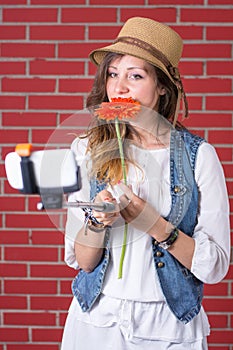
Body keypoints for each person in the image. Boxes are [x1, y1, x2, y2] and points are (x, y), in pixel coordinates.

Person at [61, 17, 230, 350]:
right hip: (97, 319)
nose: (119, 88)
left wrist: (153, 224)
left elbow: (214, 267)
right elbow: (83, 261)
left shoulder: (200, 157)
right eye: (113, 74)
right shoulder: (86, 148)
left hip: (169, 325)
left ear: (163, 86)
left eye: (135, 76)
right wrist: (98, 221)